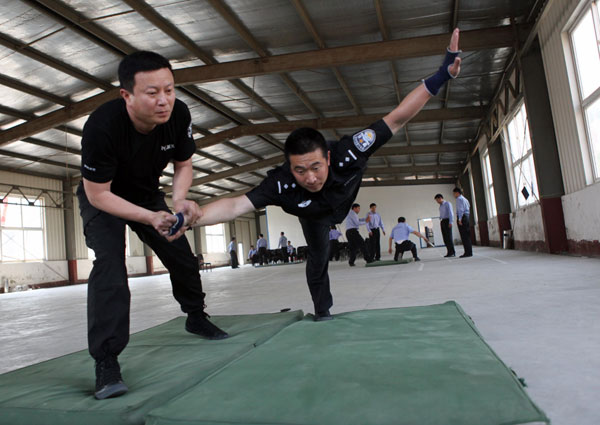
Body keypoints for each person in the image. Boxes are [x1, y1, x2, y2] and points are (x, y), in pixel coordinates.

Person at [185, 29, 462, 321]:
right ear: (290, 168)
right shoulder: (281, 183)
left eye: (316, 167)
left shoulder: (351, 150)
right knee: (318, 260)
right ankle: (322, 311)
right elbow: (236, 205)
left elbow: (398, 117)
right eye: (300, 170)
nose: (310, 178)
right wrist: (192, 217)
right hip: (315, 215)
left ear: (328, 157)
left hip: (343, 199)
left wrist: (443, 75)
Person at [77, 51, 227, 400]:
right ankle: (107, 360)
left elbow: (183, 163)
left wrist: (177, 205)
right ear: (126, 95)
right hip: (105, 197)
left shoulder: (179, 115)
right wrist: (148, 218)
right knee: (110, 264)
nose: (164, 101)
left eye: (170, 90)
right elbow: (97, 194)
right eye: (152, 93)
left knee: (181, 254)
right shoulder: (101, 127)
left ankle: (195, 316)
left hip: (146, 192)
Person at [453, 187, 473, 258]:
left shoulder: (459, 199)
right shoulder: (465, 199)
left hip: (462, 217)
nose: (454, 195)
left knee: (464, 235)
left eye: (454, 193)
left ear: (457, 193)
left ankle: (467, 252)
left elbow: (461, 210)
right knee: (467, 235)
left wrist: (460, 219)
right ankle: (469, 251)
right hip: (467, 216)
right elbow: (469, 206)